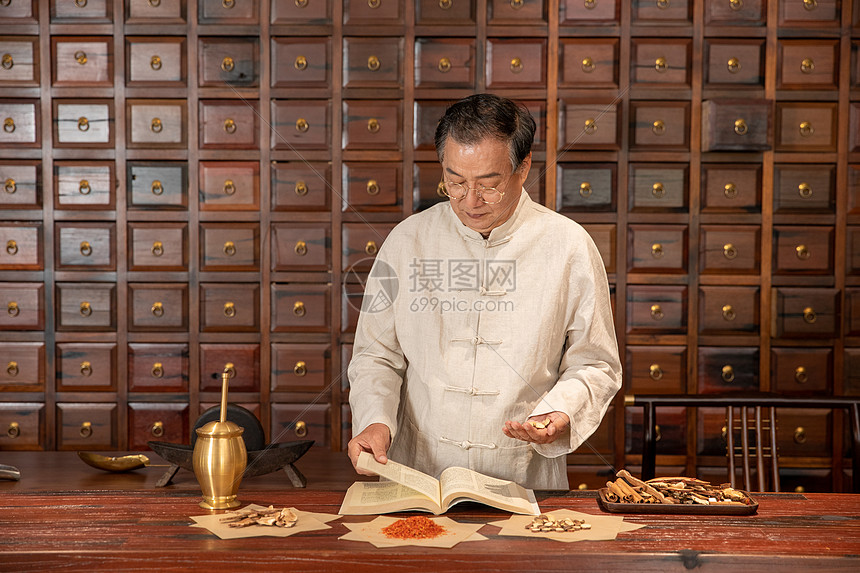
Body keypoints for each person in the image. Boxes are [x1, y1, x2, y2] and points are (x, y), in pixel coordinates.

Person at [346, 93, 622, 490]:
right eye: (455, 182)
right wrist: (375, 421)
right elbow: (376, 355)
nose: (469, 201)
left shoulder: (568, 246)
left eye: (488, 185)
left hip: (525, 479)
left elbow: (595, 364)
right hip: (419, 478)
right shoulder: (406, 242)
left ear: (523, 168)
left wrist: (560, 412)